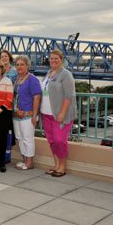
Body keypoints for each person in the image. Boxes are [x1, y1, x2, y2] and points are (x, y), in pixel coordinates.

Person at [41, 49, 77, 177]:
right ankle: (56, 165)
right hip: (46, 113)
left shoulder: (66, 74)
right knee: (51, 140)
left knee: (60, 140)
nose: (53, 60)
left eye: (56, 58)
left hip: (59, 114)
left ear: (61, 60)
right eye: (51, 58)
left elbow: (69, 96)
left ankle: (63, 167)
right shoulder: (48, 73)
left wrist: (62, 112)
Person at [12, 55, 41, 170]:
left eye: (22, 64)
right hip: (16, 114)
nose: (19, 67)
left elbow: (37, 97)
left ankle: (29, 162)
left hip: (28, 115)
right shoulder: (16, 79)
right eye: (17, 65)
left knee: (28, 138)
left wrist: (34, 115)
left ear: (27, 66)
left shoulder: (32, 79)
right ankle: (24, 160)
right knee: (19, 138)